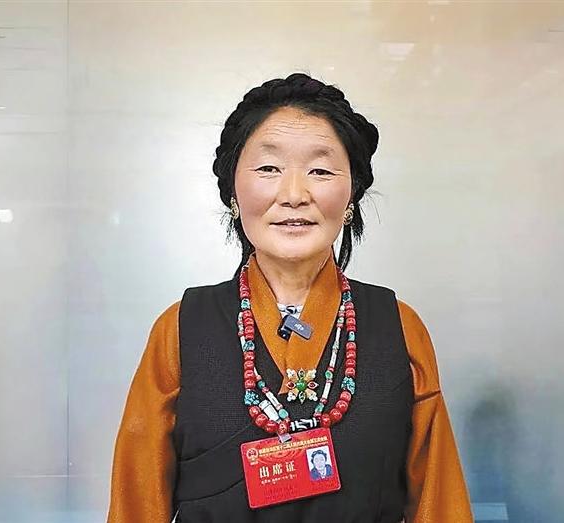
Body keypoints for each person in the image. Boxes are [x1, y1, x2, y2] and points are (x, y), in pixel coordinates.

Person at [107, 72, 473, 522]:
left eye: (320, 170)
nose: (295, 195)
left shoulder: (399, 328)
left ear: (352, 193)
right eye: (268, 168)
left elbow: (440, 504)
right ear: (233, 192)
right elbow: (136, 506)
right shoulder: (180, 330)